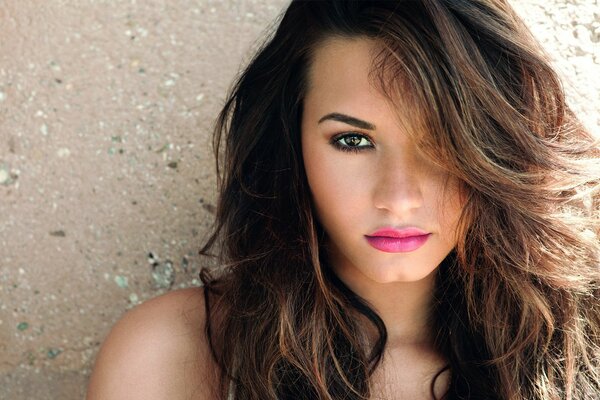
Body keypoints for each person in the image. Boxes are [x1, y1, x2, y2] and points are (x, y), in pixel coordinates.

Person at [86, 1, 600, 399]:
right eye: (353, 141)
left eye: (443, 142)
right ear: (290, 140)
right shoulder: (172, 355)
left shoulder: (578, 348)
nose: (398, 198)